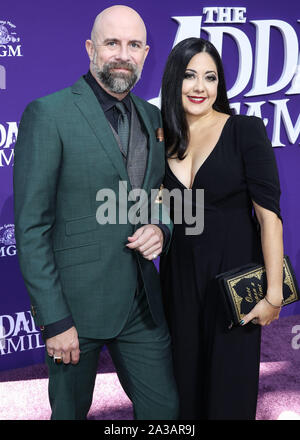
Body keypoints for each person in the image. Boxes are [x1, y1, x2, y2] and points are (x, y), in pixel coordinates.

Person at [13, 5, 179, 420]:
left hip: (142, 305)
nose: (123, 53)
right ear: (91, 48)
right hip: (75, 312)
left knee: (165, 413)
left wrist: (162, 226)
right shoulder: (48, 114)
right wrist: (54, 321)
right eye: (112, 43)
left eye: (134, 45)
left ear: (145, 53)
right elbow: (32, 228)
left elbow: (159, 195)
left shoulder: (153, 117)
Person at [159, 37, 283, 420]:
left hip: (235, 281)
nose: (200, 87)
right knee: (183, 390)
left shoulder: (244, 130)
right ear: (173, 81)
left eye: (210, 77)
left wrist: (275, 296)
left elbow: (269, 218)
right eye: (190, 75)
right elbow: (160, 209)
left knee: (229, 393)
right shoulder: (161, 137)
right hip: (179, 281)